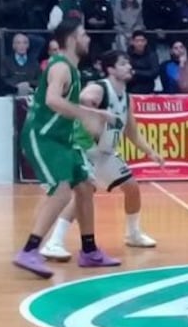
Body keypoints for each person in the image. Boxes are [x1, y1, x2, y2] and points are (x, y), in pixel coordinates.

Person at [14, 18, 120, 278]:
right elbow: (52, 100)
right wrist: (85, 115)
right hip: (43, 136)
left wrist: (94, 113)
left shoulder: (72, 70)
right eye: (84, 34)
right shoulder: (60, 67)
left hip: (62, 139)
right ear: (72, 39)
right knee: (61, 191)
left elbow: (67, 103)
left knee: (85, 187)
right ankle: (29, 250)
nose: (88, 39)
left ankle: (89, 250)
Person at [39, 50, 165, 262]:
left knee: (132, 188)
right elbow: (79, 99)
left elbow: (131, 131)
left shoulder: (126, 96)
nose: (129, 67)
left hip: (104, 152)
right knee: (84, 193)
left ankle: (133, 234)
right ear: (111, 69)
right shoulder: (99, 88)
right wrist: (94, 114)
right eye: (123, 63)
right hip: (84, 148)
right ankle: (54, 242)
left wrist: (150, 152)